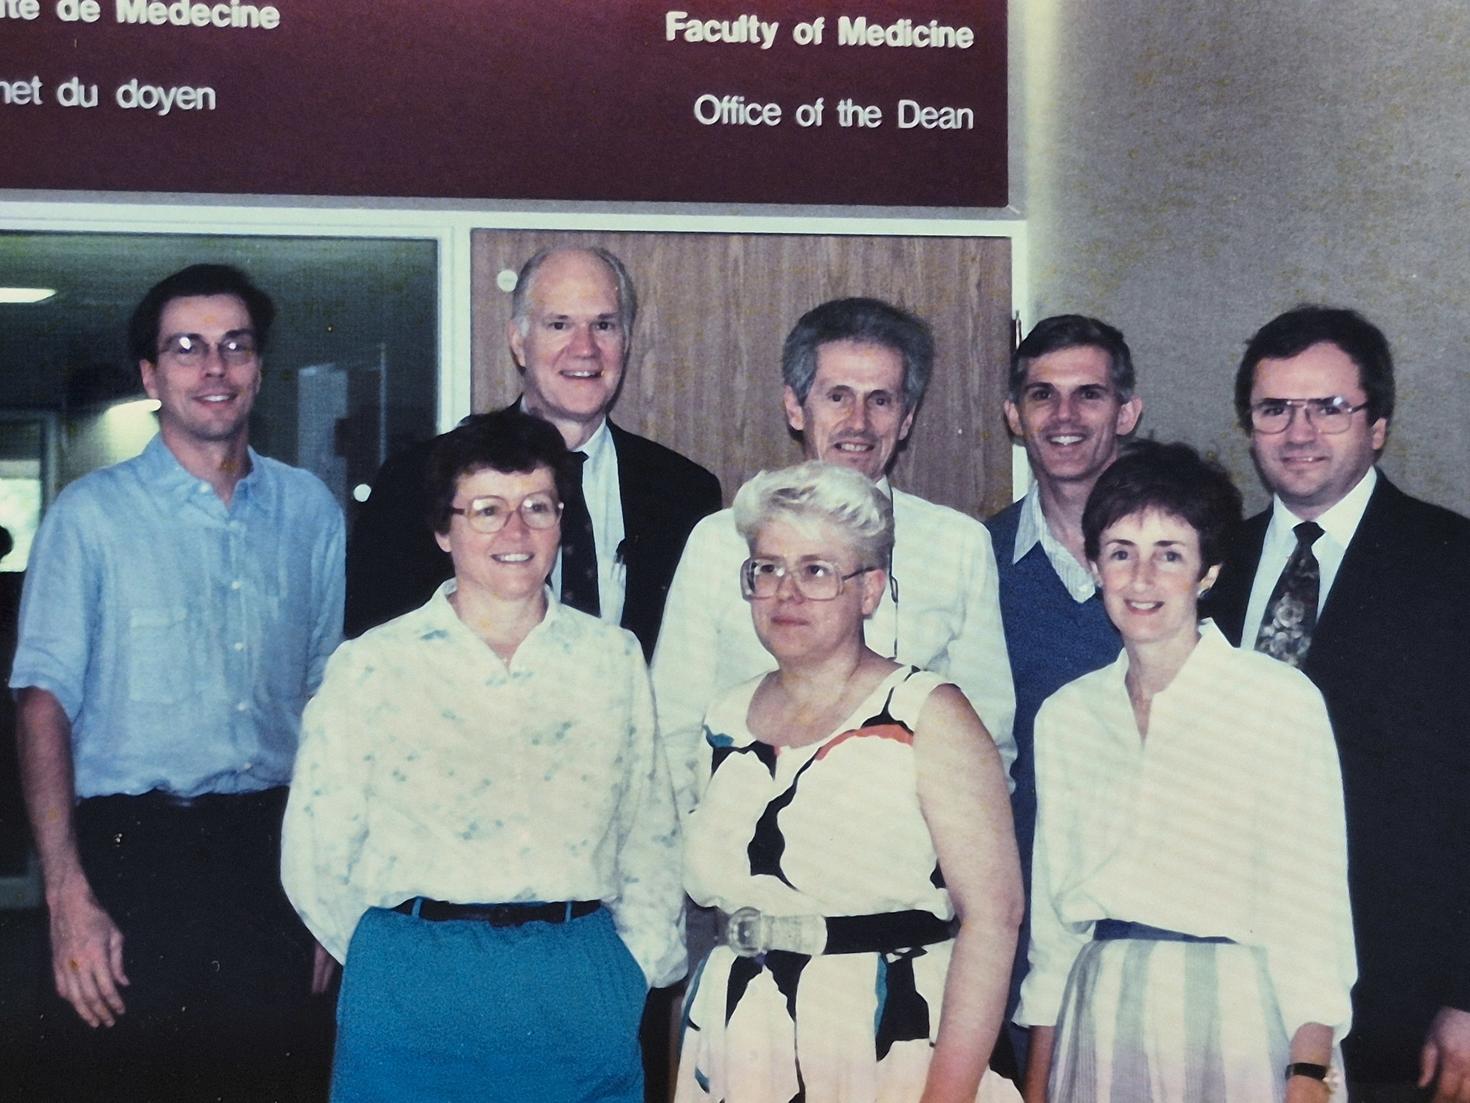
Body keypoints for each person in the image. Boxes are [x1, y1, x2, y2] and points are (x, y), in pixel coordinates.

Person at [9, 264, 344, 1099]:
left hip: (272, 860)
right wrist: (65, 894)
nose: (215, 367)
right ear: (152, 376)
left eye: (235, 345)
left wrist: (325, 894)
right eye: (187, 348)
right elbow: (42, 704)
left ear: (259, 367)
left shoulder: (310, 512)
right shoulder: (89, 518)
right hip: (131, 860)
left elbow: (328, 710)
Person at [282, 409, 685, 1102]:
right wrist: (395, 962)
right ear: (444, 529)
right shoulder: (374, 666)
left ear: (564, 520)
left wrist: (629, 970)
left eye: (537, 507)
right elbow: (316, 850)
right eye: (487, 510)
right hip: (416, 981)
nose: (516, 532)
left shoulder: (611, 660)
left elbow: (649, 830)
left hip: (577, 976)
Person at [1018, 440, 1355, 1103]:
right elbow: (1054, 933)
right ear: (1094, 566)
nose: (1142, 579)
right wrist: (1038, 1085)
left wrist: (1309, 1075)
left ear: (1207, 573)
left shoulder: (1277, 701)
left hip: (1236, 1014)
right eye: (1121, 552)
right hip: (1102, 1015)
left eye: (1169, 554)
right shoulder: (1067, 715)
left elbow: (1313, 913)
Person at [676, 460, 1023, 1103]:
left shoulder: (930, 715)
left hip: (891, 1044)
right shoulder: (724, 719)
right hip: (746, 1041)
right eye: (768, 568)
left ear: (870, 591)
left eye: (817, 570)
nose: (787, 592)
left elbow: (995, 921)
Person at [1203, 306, 1470, 1102]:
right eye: (1274, 408)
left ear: (1378, 425)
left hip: (1402, 990)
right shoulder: (1209, 565)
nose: (1300, 431)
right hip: (1236, 980)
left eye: (1329, 407)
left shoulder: (1452, 566)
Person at [653, 297, 1016, 821]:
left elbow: (990, 732)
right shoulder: (720, 540)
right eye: (838, 396)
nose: (859, 422)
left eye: (882, 400)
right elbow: (673, 730)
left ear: (908, 417)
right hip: (749, 863)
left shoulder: (958, 544)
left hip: (907, 867)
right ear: (796, 407)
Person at [344, 245, 721, 658]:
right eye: (559, 325)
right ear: (519, 343)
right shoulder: (417, 481)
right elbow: (376, 651)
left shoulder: (685, 493)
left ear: (627, 342)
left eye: (604, 325)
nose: (585, 348)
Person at [985, 314, 1141, 1073]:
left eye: (1090, 394)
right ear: (1015, 416)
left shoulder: (1194, 563)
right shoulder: (973, 563)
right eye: (1042, 395)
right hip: (1021, 920)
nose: (1066, 416)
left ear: (1127, 411)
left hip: (1158, 917)